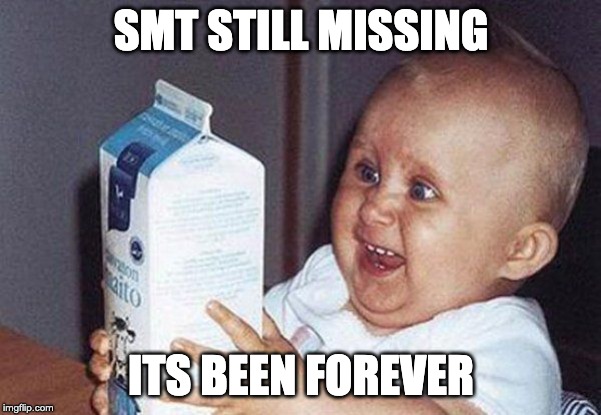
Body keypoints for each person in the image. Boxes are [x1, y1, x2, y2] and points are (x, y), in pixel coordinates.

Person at [89, 24, 588, 414]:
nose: (374, 206)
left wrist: (301, 398)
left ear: (519, 250)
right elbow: (235, 370)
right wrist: (153, 372)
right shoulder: (324, 280)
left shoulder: (506, 346)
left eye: (421, 190)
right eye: (368, 172)